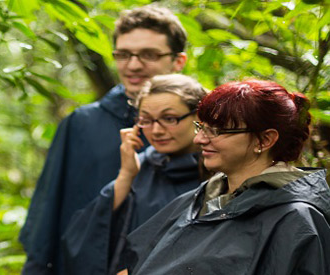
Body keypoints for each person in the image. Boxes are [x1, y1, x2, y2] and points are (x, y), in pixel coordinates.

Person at [20, 5, 188, 273]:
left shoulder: (201, 126)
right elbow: (46, 217)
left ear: (178, 61)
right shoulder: (82, 124)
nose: (133, 65)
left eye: (148, 55)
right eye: (123, 54)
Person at [124, 80, 330, 274]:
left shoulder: (295, 220)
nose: (199, 139)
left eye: (216, 131)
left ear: (265, 140)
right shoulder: (202, 198)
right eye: (201, 127)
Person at [60, 74, 208, 274]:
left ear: (199, 116)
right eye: (146, 120)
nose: (156, 130)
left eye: (169, 118)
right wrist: (126, 175)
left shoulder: (222, 170)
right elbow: (85, 238)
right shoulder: (145, 165)